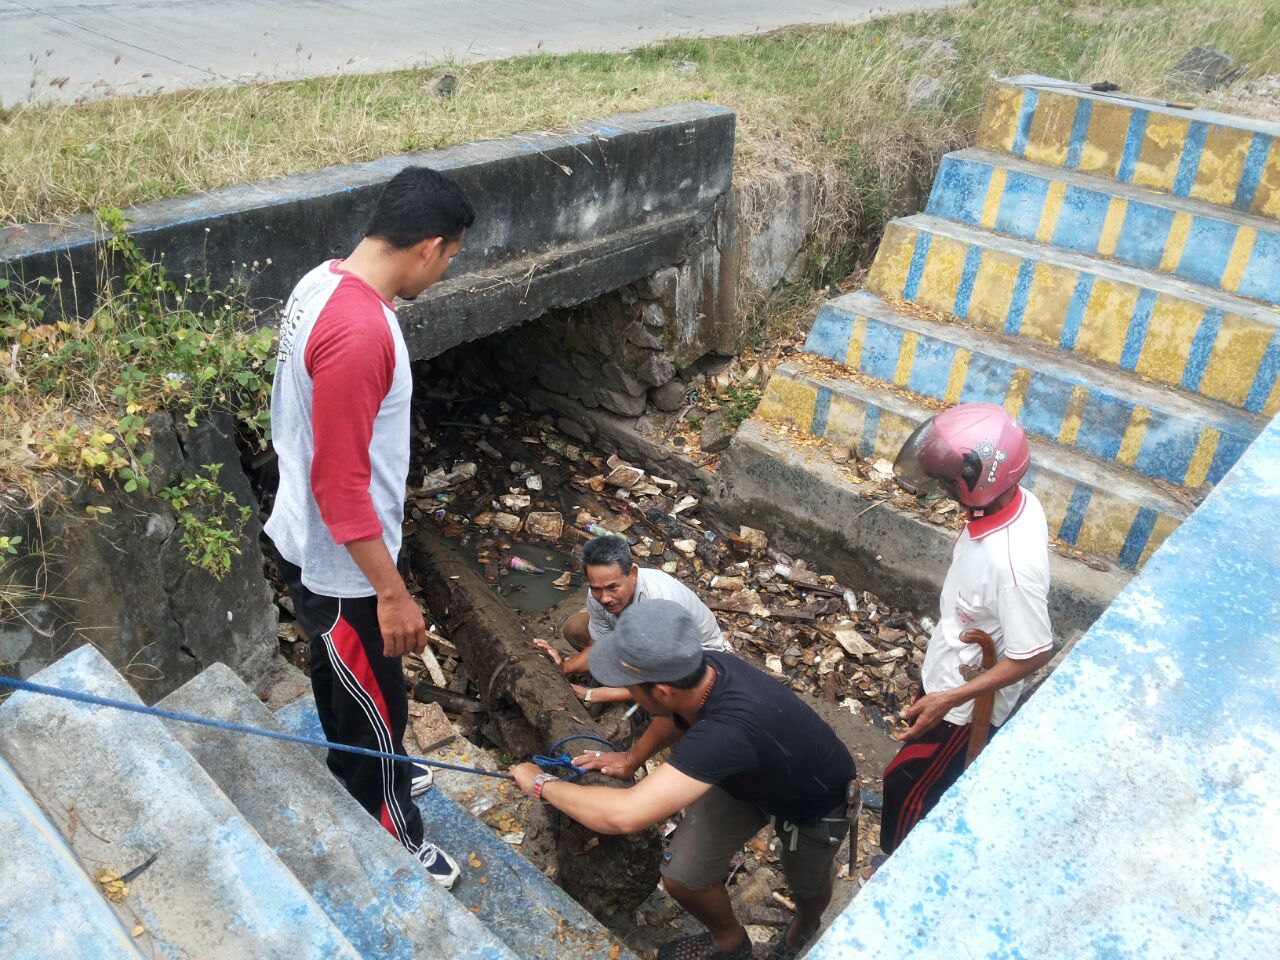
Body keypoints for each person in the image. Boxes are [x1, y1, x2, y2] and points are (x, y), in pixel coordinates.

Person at [265, 166, 474, 888]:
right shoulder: (358, 330)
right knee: (374, 697)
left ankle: (370, 762)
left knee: (343, 681)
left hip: (308, 538)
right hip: (343, 566)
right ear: (428, 246)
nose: (447, 270)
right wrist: (390, 592)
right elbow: (340, 485)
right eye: (451, 256)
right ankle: (394, 837)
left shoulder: (321, 281)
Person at [513, 600, 856, 960]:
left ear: (660, 692)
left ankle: (805, 926)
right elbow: (675, 714)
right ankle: (730, 942)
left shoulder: (726, 732)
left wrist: (541, 783)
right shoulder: (703, 671)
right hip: (745, 777)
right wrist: (632, 758)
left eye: (632, 687)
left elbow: (625, 814)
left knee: (807, 884)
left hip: (814, 802)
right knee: (684, 874)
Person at [879, 402, 1055, 854]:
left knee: (907, 786)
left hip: (965, 707)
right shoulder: (1017, 502)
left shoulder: (1011, 564)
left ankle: (896, 865)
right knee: (911, 772)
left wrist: (949, 699)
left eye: (948, 481)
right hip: (949, 672)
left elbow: (1034, 652)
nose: (942, 487)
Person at [533, 533, 727, 706]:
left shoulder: (659, 603)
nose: (604, 598)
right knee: (576, 627)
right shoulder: (597, 596)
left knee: (669, 694)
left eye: (612, 587)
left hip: (697, 658)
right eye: (596, 588)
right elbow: (600, 644)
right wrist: (563, 667)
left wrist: (594, 695)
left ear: (633, 574)